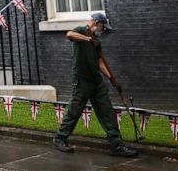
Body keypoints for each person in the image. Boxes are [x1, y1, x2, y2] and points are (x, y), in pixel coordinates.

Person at [53, 11, 138, 157]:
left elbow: (100, 62)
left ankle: (116, 145)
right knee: (75, 111)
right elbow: (69, 35)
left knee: (107, 112)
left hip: (96, 82)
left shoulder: (97, 42)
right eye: (103, 28)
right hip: (82, 80)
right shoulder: (81, 31)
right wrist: (87, 39)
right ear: (96, 23)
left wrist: (112, 80)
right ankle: (60, 138)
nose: (103, 31)